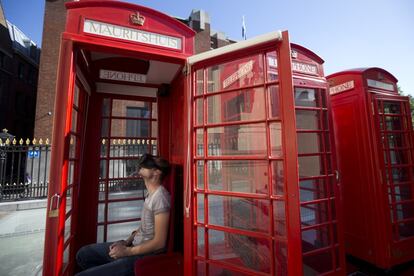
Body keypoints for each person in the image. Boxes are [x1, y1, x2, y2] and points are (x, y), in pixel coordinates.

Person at [75, 154, 171, 276]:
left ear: (156, 173)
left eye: (150, 163)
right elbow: (143, 228)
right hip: (132, 247)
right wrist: (126, 242)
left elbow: (159, 243)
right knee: (83, 255)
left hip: (142, 256)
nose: (142, 164)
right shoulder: (150, 194)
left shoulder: (161, 198)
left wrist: (127, 251)